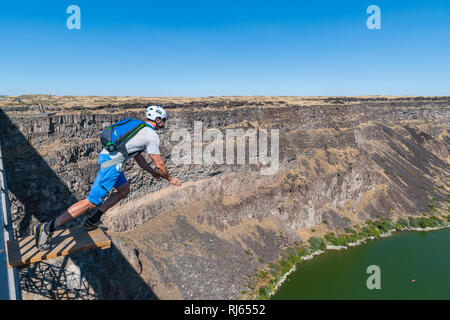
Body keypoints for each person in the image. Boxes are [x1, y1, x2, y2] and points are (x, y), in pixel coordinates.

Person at [34, 105, 182, 250]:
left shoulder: (138, 127)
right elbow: (160, 164)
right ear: (157, 119)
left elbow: (138, 157)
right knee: (91, 202)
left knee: (124, 190)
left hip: (108, 159)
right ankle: (47, 228)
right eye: (163, 120)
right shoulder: (151, 135)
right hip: (111, 165)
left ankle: (93, 220)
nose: (164, 122)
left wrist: (151, 172)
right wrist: (169, 179)